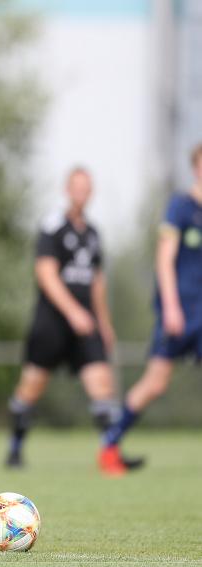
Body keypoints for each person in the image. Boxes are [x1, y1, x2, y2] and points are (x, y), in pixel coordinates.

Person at [3, 167, 141, 469]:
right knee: (31, 388)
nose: (82, 192)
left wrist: (103, 322)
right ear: (67, 190)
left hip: (86, 324)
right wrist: (73, 311)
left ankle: (110, 456)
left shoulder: (92, 233)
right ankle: (14, 450)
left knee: (102, 385)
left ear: (91, 192)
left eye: (87, 188)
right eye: (77, 187)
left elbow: (97, 282)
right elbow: (46, 274)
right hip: (52, 322)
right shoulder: (53, 226)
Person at [99, 144, 202, 475]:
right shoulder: (181, 206)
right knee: (155, 384)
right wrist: (171, 306)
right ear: (195, 167)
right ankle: (110, 445)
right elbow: (165, 258)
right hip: (181, 311)